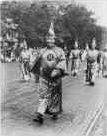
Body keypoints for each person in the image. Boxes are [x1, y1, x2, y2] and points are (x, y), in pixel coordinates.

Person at [30, 22, 66, 124]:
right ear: (46, 40)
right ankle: (40, 115)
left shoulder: (59, 51)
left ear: (54, 40)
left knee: (55, 96)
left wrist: (58, 70)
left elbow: (63, 61)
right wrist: (36, 77)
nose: (49, 41)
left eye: (51, 40)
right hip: (44, 76)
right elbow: (36, 63)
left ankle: (54, 112)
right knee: (43, 95)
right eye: (48, 40)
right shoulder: (41, 51)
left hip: (55, 76)